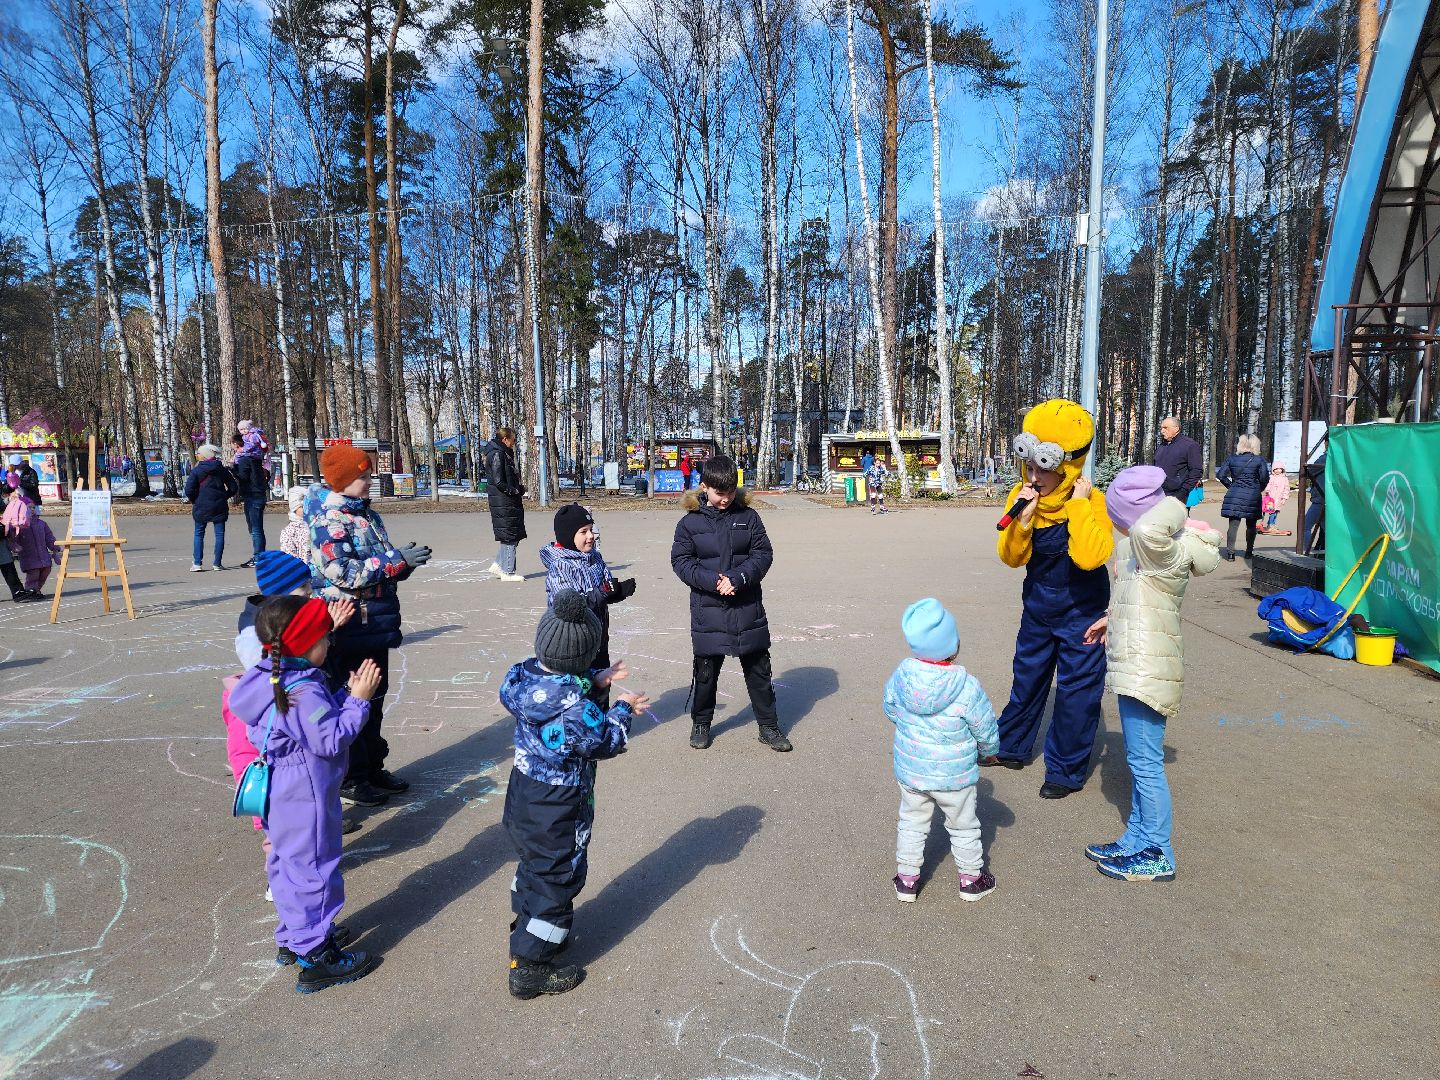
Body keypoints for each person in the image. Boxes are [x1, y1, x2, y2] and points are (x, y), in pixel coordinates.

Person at [227, 595, 382, 993]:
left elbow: (311, 726)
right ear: (308, 644)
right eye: (325, 638)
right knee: (314, 869)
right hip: (305, 794)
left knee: (286, 864)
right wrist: (359, 700)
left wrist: (343, 698)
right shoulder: (302, 691)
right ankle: (317, 954)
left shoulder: (268, 675)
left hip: (282, 789)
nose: (330, 645)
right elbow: (330, 739)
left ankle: (293, 937)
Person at [501, 589, 648, 999]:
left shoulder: (522, 676)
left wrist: (591, 679)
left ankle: (529, 924)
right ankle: (530, 966)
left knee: (535, 862)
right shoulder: (575, 710)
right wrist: (622, 708)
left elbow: (559, 686)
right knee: (559, 874)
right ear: (582, 655)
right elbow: (604, 740)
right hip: (558, 802)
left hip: (524, 793)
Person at [1082, 465, 1219, 882]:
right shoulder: (1141, 553)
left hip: (1149, 668)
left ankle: (1158, 850)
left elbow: (1145, 532)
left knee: (1145, 763)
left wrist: (1172, 502)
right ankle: (1137, 838)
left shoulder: (1160, 548)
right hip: (1137, 664)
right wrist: (1110, 618)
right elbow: (1137, 594)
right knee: (1138, 758)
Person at [985, 399, 1113, 799]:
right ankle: (1012, 746)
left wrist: (1076, 506)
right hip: (1038, 608)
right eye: (1030, 466)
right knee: (1027, 678)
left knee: (1077, 693)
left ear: (1068, 467)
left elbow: (1092, 557)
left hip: (1083, 613)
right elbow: (1010, 558)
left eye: (1045, 469)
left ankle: (1065, 769)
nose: (1035, 476)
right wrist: (1022, 522)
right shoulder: (1020, 496)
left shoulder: (1092, 502)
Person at [305, 443, 432, 808]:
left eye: (369, 474)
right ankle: (350, 776)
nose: (369, 481)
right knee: (351, 697)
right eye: (362, 477)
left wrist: (403, 563)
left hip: (374, 620)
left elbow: (377, 564)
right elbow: (343, 573)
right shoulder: (329, 522)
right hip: (349, 623)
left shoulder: (366, 515)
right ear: (342, 481)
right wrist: (394, 560)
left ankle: (372, 767)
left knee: (375, 696)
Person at [671, 454, 791, 752]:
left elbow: (763, 555)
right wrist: (713, 580)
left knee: (759, 671)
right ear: (704, 487)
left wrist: (739, 577)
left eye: (729, 492)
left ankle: (769, 726)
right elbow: (681, 561)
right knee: (707, 672)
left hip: (746, 607)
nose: (725, 499)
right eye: (719, 493)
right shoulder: (689, 523)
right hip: (708, 610)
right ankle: (701, 723)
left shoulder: (748, 517)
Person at [886, 598, 1000, 904]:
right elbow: (984, 726)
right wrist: (990, 750)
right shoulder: (966, 686)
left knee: (912, 821)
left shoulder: (902, 676)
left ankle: (907, 880)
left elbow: (891, 709)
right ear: (953, 645)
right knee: (963, 825)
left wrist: (910, 730)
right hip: (954, 775)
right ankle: (971, 879)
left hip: (912, 771)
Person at [540, 504, 637, 708]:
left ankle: (600, 730)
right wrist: (603, 592)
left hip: (598, 638)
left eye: (591, 529)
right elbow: (567, 607)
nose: (591, 536)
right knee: (578, 692)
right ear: (567, 536)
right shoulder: (561, 566)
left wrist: (617, 591)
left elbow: (603, 589)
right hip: (573, 645)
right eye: (583, 532)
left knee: (601, 687)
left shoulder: (595, 558)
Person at [183, 444, 237, 572]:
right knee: (219, 534)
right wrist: (224, 496)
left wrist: (194, 499)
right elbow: (233, 487)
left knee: (199, 533)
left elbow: (189, 489)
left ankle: (197, 563)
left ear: (205, 455)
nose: (198, 455)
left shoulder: (196, 470)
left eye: (200, 453)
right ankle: (217, 563)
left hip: (201, 505)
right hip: (219, 505)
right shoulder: (222, 469)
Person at [1216, 434, 1269, 561]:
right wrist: (1258, 489)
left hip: (1235, 494)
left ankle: (1230, 553)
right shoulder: (1259, 460)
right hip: (1252, 495)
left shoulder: (1232, 458)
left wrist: (1231, 486)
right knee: (1251, 525)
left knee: (1233, 525)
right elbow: (1264, 478)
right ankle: (1249, 551)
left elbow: (1221, 475)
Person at [484, 427, 526, 582]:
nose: (514, 443)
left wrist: (518, 488)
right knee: (510, 536)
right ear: (505, 439)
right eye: (513, 440)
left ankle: (498, 564)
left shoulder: (502, 453)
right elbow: (499, 481)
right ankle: (508, 572)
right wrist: (513, 491)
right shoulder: (497, 454)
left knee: (509, 534)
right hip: (503, 501)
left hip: (506, 501)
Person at [5, 493, 60, 598]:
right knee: (33, 575)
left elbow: (49, 537)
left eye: (33, 507)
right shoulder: (19, 525)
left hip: (44, 556)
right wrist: (14, 544)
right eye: (29, 508)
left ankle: (37, 590)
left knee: (45, 572)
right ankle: (30, 591)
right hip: (29, 557)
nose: (32, 509)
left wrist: (54, 549)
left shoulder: (41, 523)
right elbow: (12, 536)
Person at [231, 434, 269, 569]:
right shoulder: (255, 459)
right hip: (257, 494)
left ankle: (259, 557)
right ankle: (260, 556)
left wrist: (232, 470)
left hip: (253, 495)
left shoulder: (244, 460)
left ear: (237, 444)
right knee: (256, 527)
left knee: (255, 528)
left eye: (233, 444)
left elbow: (243, 477)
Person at [1154, 417, 1203, 502]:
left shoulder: (1189, 445)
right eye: (1161, 428)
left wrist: (1183, 492)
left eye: (1165, 428)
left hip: (1178, 495)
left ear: (1176, 429)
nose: (1162, 431)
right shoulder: (1162, 446)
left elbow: (1196, 471)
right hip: (1159, 493)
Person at [1303, 451, 1326, 554]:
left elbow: (1308, 471)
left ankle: (1306, 550)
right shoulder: (1339, 457)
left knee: (1305, 526)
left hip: (1320, 499)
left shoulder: (1325, 457)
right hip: (1327, 498)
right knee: (1326, 528)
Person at [278, 486, 310, 561]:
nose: (306, 509)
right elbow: (288, 553)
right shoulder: (289, 530)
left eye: (309, 506)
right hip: (301, 568)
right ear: (294, 509)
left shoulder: (316, 524)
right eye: (302, 507)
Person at [1260, 463, 1291, 535]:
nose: (1277, 470)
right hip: (1271, 499)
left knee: (1276, 512)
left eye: (1279, 469)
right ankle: (1270, 525)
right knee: (1272, 512)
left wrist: (1284, 498)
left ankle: (1271, 524)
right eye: (1275, 469)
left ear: (1282, 469)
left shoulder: (1285, 479)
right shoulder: (1271, 477)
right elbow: (1268, 485)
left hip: (1279, 499)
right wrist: (1267, 491)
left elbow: (1286, 489)